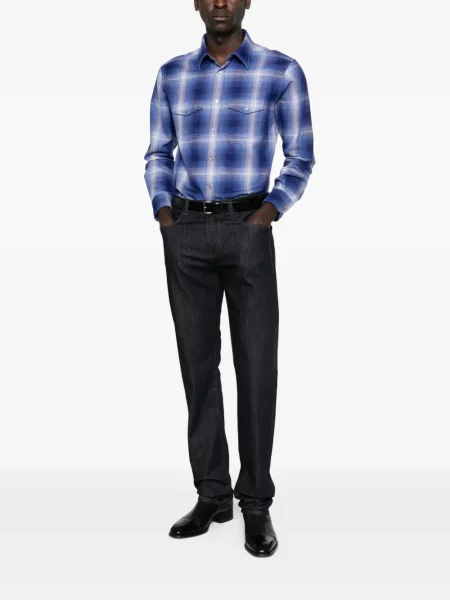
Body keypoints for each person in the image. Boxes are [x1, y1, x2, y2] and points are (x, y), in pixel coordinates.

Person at [143, 0, 315, 558]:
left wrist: (267, 213)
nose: (219, 2)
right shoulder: (172, 74)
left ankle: (256, 503)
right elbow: (157, 153)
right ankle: (212, 494)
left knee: (257, 367)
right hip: (186, 231)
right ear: (196, 2)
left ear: (246, 2)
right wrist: (165, 215)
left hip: (248, 230)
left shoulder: (280, 70)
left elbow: (300, 157)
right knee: (198, 368)